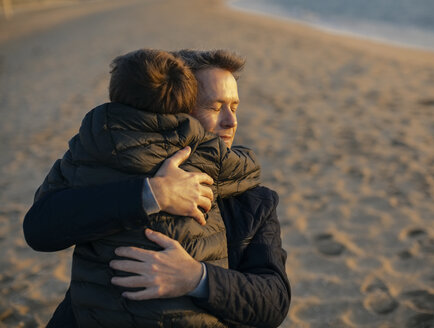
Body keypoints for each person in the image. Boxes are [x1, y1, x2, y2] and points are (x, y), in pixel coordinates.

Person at [24, 49, 291, 327]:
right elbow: (39, 229)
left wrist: (197, 278)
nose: (231, 121)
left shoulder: (253, 199)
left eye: (234, 107)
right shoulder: (106, 164)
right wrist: (148, 194)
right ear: (172, 110)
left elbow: (274, 301)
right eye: (215, 107)